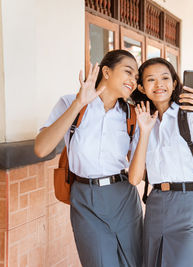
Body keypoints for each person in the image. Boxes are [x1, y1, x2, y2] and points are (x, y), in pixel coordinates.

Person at [34, 50, 143, 267]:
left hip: (124, 198)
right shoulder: (70, 103)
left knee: (134, 263)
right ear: (106, 71)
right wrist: (78, 102)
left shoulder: (132, 115)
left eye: (136, 78)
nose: (133, 80)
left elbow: (137, 170)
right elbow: (41, 148)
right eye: (128, 72)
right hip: (85, 198)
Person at [129, 57, 193, 267]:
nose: (159, 85)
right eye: (151, 79)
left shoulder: (190, 116)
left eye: (165, 78)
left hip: (189, 203)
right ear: (141, 86)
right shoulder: (142, 121)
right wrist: (146, 132)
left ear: (175, 82)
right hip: (156, 203)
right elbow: (135, 178)